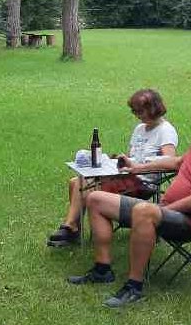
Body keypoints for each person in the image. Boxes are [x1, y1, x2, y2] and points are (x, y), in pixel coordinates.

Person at [69, 100, 191, 307]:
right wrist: (137, 168)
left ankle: (134, 286)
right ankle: (102, 269)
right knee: (95, 198)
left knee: (144, 211)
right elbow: (176, 162)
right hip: (163, 212)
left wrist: (160, 210)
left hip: (190, 222)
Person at [47, 88, 177, 247]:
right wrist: (120, 160)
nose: (137, 115)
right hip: (125, 175)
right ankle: (73, 228)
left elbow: (169, 160)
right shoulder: (140, 129)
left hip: (143, 182)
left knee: (87, 186)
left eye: (140, 111)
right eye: (135, 112)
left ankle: (70, 229)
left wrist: (139, 166)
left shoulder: (165, 130)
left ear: (153, 108)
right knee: (76, 181)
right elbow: (132, 156)